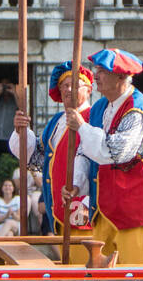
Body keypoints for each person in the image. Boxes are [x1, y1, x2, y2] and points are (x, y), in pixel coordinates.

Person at [66, 48, 143, 266]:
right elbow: (85, 150)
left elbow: (116, 151)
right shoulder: (100, 107)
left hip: (136, 208)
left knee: (139, 274)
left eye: (102, 71)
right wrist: (77, 182)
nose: (96, 76)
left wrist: (82, 127)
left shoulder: (138, 107)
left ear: (121, 76)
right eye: (96, 70)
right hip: (104, 206)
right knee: (96, 271)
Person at [10, 61, 96, 262]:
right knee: (67, 263)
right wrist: (21, 131)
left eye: (74, 85)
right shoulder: (57, 121)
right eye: (63, 85)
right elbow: (37, 157)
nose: (67, 89)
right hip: (58, 205)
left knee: (84, 262)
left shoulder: (93, 117)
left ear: (88, 89)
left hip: (83, 205)